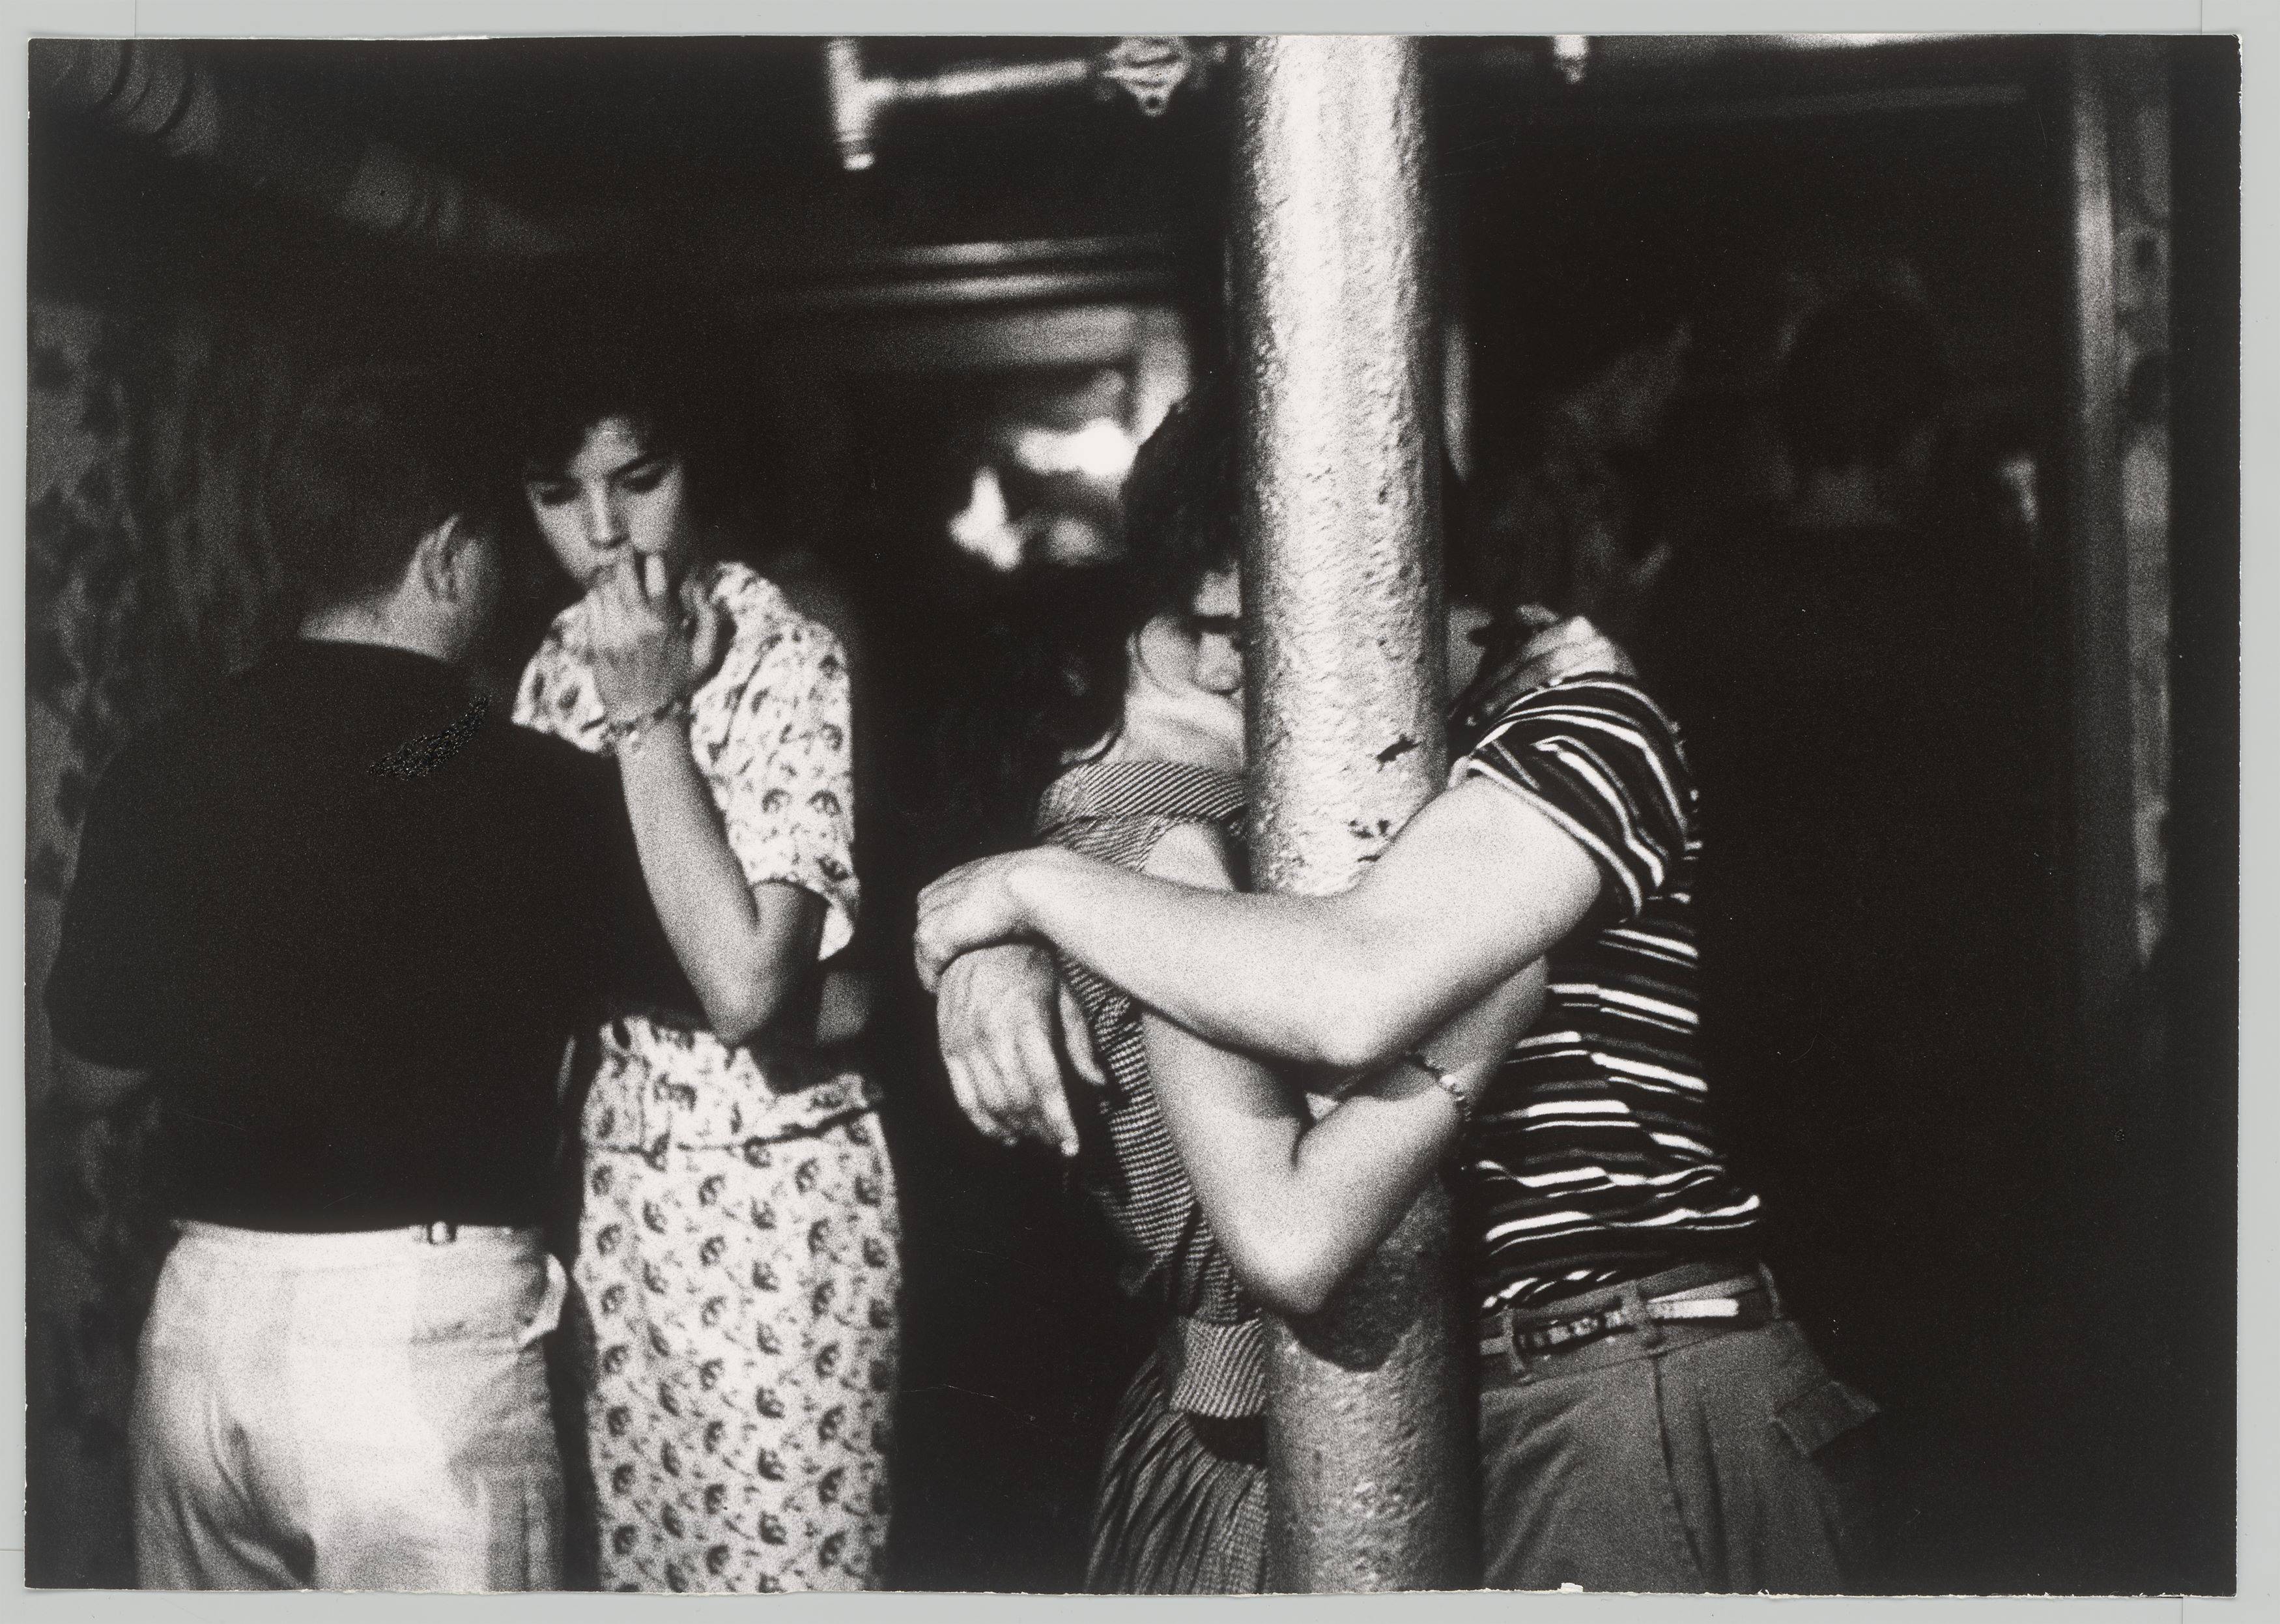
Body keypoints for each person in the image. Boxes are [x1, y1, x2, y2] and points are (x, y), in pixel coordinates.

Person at [916, 392, 1881, 1595]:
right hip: (1499, 1405)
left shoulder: (1578, 719)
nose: (1221, 666)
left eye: (1251, 623)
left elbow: (1349, 993)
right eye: (1196, 624)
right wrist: (1004, 947)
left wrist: (1029, 890)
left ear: (1390, 572)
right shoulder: (1307, 785)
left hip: (1627, 1387)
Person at [42, 371, 735, 1591]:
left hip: (202, 1332)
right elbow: (760, 991)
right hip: (423, 1348)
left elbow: (88, 1079)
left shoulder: (162, 763)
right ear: (453, 554)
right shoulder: (528, 784)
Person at [506, 358, 898, 1594]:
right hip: (612, 1200)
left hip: (777, 1192)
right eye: (559, 495)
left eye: (642, 479)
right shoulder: (542, 672)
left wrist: (647, 719)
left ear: (701, 467)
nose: (607, 530)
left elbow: (743, 987)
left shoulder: (795, 653)